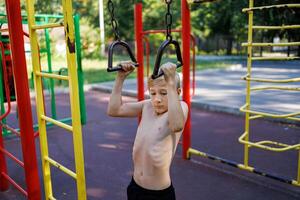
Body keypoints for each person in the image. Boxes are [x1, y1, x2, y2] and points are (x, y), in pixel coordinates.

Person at [107, 61, 188, 200]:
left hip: (157, 194)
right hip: (135, 187)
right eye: (153, 93)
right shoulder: (147, 106)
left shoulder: (180, 107)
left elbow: (177, 125)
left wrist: (171, 84)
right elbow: (114, 110)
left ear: (177, 92)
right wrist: (120, 78)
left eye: (164, 93)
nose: (157, 99)